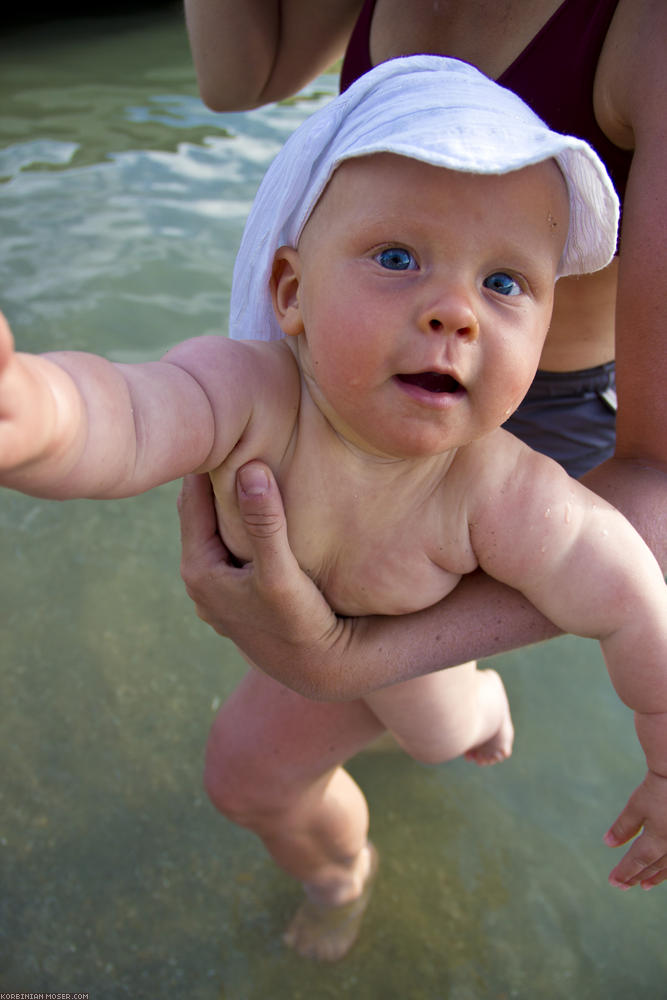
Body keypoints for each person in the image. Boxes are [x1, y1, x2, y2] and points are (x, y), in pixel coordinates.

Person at [2, 56, 666, 959]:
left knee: (438, 731)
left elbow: (629, 591)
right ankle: (347, 848)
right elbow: (123, 411)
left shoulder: (495, 486)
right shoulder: (249, 393)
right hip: (297, 629)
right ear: (290, 293)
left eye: (505, 284)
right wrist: (30, 409)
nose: (454, 313)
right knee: (239, 774)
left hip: (411, 650)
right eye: (397, 258)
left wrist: (662, 749)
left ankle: (452, 739)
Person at [178, 0, 667, 948]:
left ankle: (340, 877)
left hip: (531, 431)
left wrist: (351, 654)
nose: (455, 309)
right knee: (382, 688)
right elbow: (238, 81)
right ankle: (436, 705)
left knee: (248, 774)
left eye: (503, 281)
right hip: (351, 386)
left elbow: (655, 486)